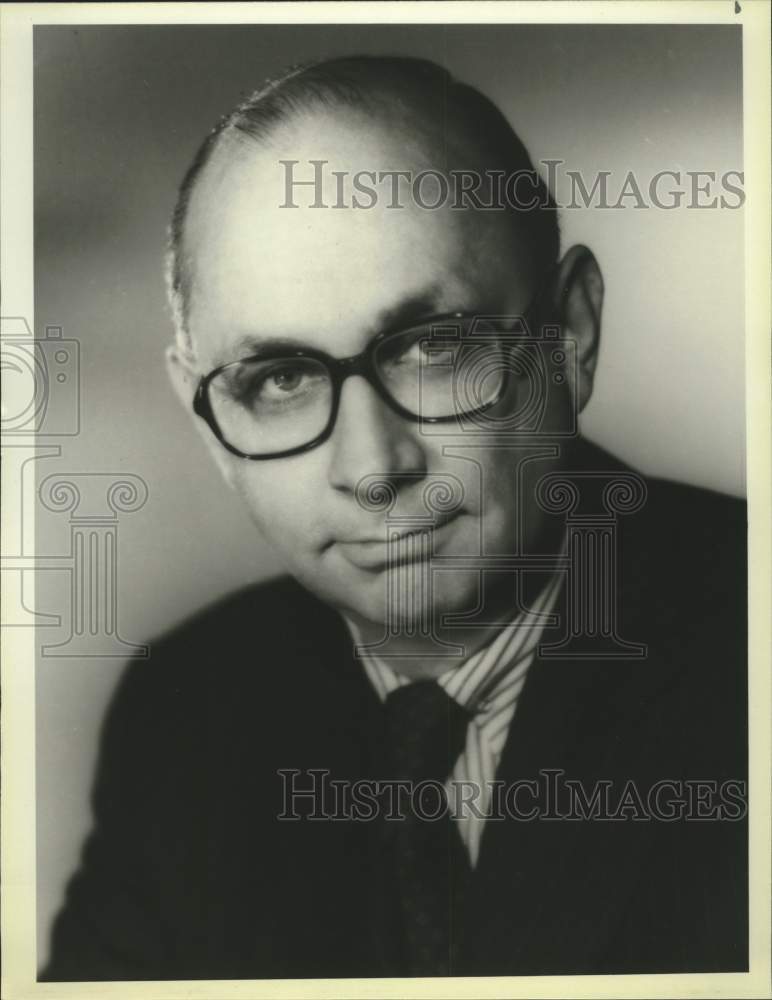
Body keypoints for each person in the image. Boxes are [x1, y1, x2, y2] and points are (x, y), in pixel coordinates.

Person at [42, 56, 747, 981]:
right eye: (281, 379)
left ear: (568, 335)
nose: (374, 469)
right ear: (208, 420)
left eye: (434, 347)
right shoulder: (186, 718)